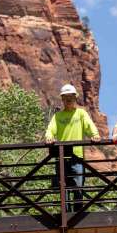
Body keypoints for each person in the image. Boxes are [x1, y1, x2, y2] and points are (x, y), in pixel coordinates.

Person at [44, 84, 100, 212]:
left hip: (77, 157)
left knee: (78, 186)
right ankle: (66, 214)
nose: (69, 99)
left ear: (75, 98)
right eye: (66, 97)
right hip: (61, 156)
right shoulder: (58, 116)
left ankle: (77, 213)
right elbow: (50, 131)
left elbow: (90, 127)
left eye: (71, 97)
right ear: (62, 99)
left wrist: (95, 135)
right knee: (63, 187)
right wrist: (49, 137)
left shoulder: (81, 113)